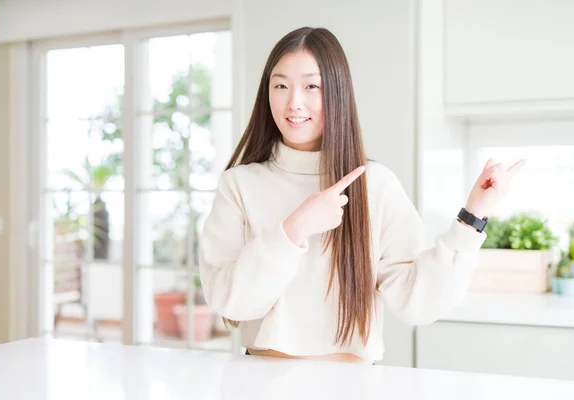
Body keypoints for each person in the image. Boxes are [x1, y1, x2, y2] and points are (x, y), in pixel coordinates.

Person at [199, 26, 525, 365]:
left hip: (354, 384)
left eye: (312, 86)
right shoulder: (239, 185)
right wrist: (294, 229)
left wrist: (473, 216)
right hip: (259, 380)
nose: (294, 102)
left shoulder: (375, 185)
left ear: (338, 92)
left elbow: (419, 303)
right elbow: (230, 300)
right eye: (281, 86)